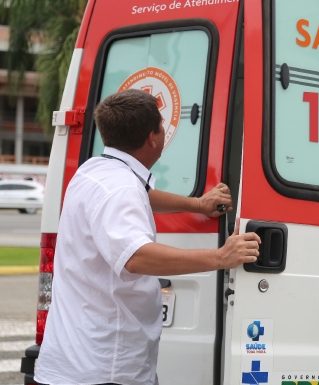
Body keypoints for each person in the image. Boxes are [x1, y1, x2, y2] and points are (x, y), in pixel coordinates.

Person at [34, 89, 260, 385]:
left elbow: (142, 196)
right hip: (104, 370)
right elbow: (137, 256)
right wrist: (221, 257)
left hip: (76, 363)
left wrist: (198, 204)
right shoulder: (120, 189)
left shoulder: (94, 171)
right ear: (154, 137)